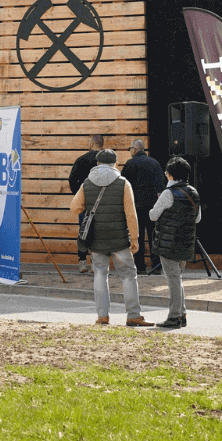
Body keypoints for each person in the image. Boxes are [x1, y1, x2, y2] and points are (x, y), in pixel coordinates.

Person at [70, 148, 152, 327]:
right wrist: (135, 239)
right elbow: (131, 215)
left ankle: (102, 316)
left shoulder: (86, 183)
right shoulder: (123, 183)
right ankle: (133, 315)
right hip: (120, 239)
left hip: (97, 240)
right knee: (129, 276)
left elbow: (74, 208)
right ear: (116, 163)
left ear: (97, 164)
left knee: (100, 274)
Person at [149, 157, 201, 329]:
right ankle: (182, 313)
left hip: (168, 243)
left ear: (170, 175)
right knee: (177, 279)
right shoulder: (193, 192)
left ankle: (174, 317)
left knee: (173, 280)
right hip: (186, 243)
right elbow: (198, 218)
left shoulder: (167, 193)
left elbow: (153, 215)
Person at [122, 139, 166, 274]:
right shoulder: (155, 163)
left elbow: (123, 185)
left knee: (138, 236)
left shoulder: (130, 164)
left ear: (135, 149)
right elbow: (161, 186)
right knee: (155, 237)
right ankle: (156, 266)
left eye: (130, 149)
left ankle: (140, 267)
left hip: (136, 208)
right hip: (153, 207)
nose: (130, 152)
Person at [67, 135, 103, 274]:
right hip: (101, 202)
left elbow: (72, 180)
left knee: (83, 231)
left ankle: (82, 262)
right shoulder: (106, 161)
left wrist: (78, 194)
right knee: (97, 232)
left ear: (92, 143)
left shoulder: (81, 160)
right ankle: (96, 263)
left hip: (84, 202)